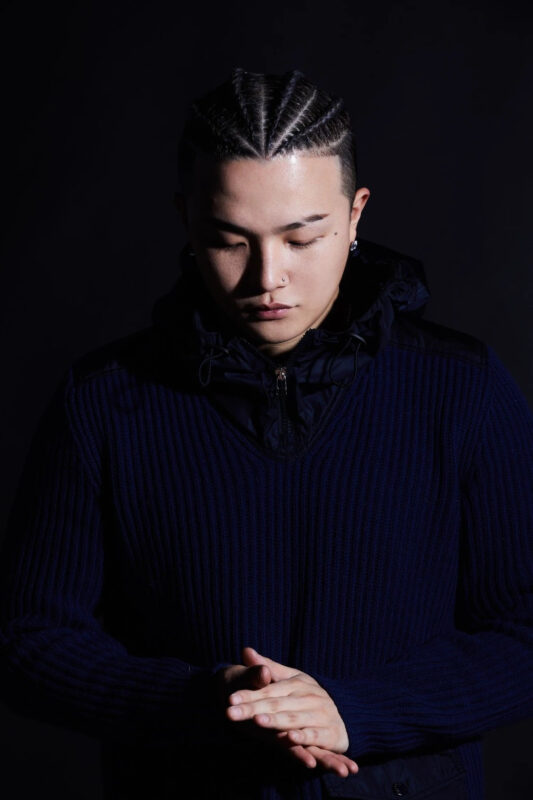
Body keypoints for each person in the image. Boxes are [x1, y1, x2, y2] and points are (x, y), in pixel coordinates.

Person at [0, 66, 532, 800]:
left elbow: (525, 630)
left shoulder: (461, 387)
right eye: (229, 240)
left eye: (302, 237)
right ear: (186, 219)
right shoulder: (101, 402)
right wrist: (202, 702)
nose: (267, 278)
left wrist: (355, 711)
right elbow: (27, 639)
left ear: (355, 215)